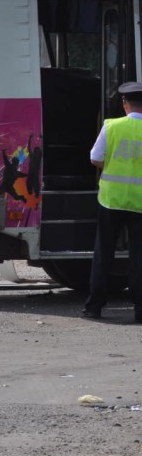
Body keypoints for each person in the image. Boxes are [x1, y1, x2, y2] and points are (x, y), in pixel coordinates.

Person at [82, 81, 142, 322]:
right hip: (140, 203)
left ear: (124, 104)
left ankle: (94, 307)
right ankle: (140, 310)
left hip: (111, 200)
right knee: (139, 257)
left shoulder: (112, 126)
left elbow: (95, 159)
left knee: (103, 253)